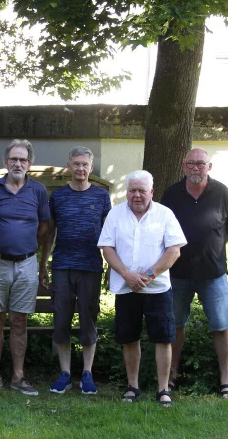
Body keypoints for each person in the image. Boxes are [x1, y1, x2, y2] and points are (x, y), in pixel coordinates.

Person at [98, 170, 186, 407]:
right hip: (126, 288)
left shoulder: (165, 214)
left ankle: (163, 389)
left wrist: (148, 275)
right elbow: (107, 248)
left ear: (151, 192)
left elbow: (174, 250)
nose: (137, 195)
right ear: (127, 192)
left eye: (141, 191)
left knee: (163, 339)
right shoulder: (115, 215)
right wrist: (127, 275)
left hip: (157, 288)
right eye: (132, 190)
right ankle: (132, 386)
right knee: (129, 338)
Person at [161, 148, 228, 399]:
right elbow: (160, 229)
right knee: (175, 326)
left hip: (213, 273)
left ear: (209, 167)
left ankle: (225, 381)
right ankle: (172, 377)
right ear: (184, 166)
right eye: (191, 164)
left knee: (221, 325)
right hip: (177, 273)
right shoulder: (171, 194)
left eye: (201, 164)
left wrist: (212, 247)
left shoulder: (222, 192)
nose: (196, 168)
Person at [0, 139, 50, 396]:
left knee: (20, 321)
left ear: (29, 164)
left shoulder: (38, 191)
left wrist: (32, 253)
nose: (18, 163)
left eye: (23, 160)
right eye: (13, 159)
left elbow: (44, 227)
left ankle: (19, 376)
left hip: (26, 264)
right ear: (5, 163)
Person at [40, 146, 111, 395]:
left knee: (88, 321)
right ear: (68, 167)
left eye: (85, 165)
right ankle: (65, 373)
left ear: (91, 168)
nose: (80, 168)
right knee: (61, 321)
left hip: (91, 266)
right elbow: (49, 234)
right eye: (76, 164)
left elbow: (110, 236)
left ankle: (88, 373)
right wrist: (43, 265)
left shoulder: (102, 197)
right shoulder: (57, 197)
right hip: (62, 266)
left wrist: (112, 266)